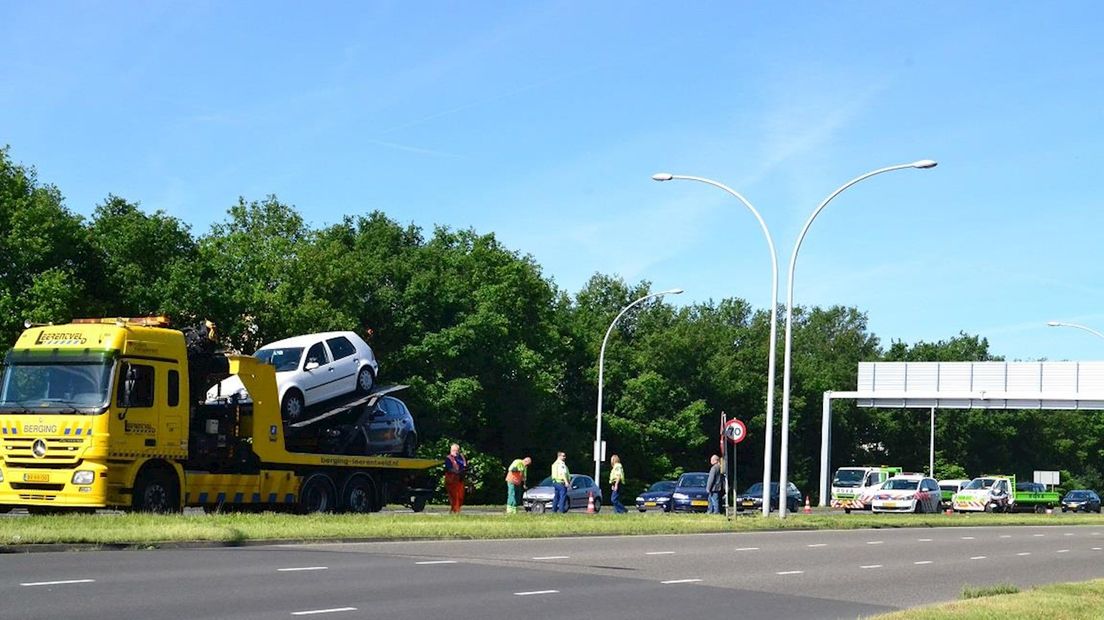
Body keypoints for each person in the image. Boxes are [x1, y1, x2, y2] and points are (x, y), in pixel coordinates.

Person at [444, 443, 468, 513]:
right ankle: (456, 511)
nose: (453, 452)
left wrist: (463, 472)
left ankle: (454, 510)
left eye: (455, 450)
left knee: (460, 496)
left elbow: (464, 466)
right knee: (454, 496)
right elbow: (449, 469)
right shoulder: (448, 458)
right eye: (452, 450)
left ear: (458, 450)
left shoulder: (461, 457)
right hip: (451, 479)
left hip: (460, 479)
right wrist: (457, 472)